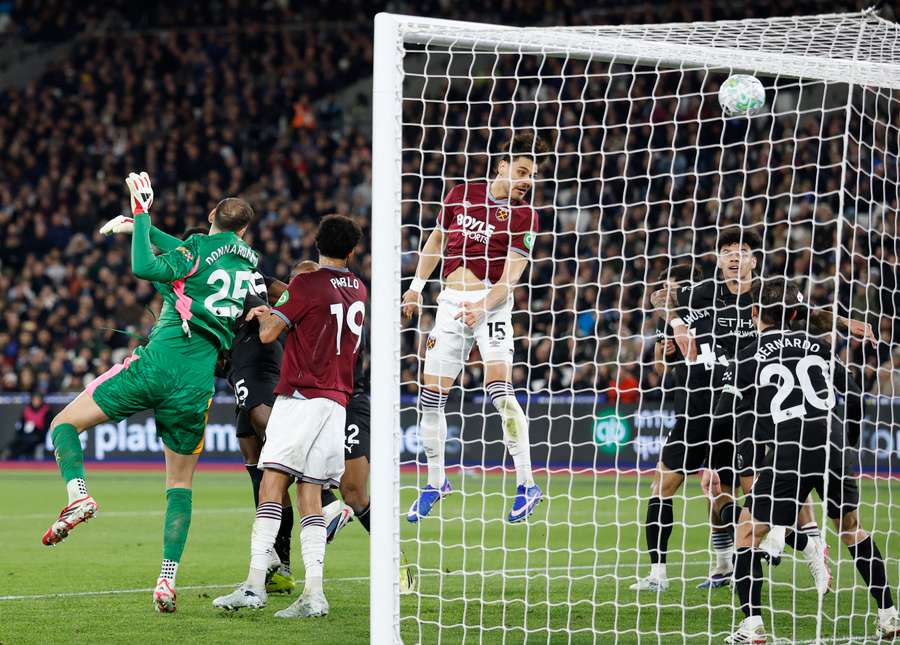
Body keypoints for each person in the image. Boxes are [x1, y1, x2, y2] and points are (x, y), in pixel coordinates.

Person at [43, 173, 258, 616]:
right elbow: (188, 258)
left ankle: (78, 494)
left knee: (63, 424)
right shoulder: (250, 264)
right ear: (245, 231)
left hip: (157, 365)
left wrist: (142, 215)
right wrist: (135, 225)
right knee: (179, 484)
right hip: (197, 384)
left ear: (212, 216)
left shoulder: (196, 247)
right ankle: (165, 580)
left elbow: (147, 266)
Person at [648, 228, 874, 589]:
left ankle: (811, 545)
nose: (734, 257)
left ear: (754, 260)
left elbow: (809, 315)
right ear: (719, 259)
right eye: (727, 251)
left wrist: (846, 323)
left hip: (758, 408)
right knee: (717, 493)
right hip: (706, 407)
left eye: (742, 251)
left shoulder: (767, 296)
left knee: (773, 483)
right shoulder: (702, 294)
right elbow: (661, 298)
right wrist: (671, 328)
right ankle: (720, 566)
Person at [702, 278, 900, 643]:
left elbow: (724, 414)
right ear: (795, 314)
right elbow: (855, 395)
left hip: (789, 449)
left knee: (748, 532)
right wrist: (848, 442)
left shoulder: (747, 354)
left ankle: (752, 626)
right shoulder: (819, 346)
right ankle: (888, 614)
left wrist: (720, 462)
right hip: (832, 444)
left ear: (755, 311)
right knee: (852, 529)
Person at [212, 215, 367, 619]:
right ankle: (314, 595)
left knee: (272, 485)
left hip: (300, 397)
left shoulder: (305, 284)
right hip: (337, 401)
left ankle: (253, 585)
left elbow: (268, 334)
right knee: (310, 494)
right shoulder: (359, 289)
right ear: (352, 251)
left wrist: (267, 312)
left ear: (317, 244)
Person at [401, 131, 549, 523]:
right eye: (521, 172)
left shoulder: (525, 216)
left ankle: (526, 484)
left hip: (492, 305)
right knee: (430, 396)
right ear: (501, 166)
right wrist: (415, 289)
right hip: (450, 302)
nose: (526, 182)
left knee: (499, 391)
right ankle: (436, 482)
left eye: (531, 177)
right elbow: (435, 242)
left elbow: (510, 279)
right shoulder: (459, 195)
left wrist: (482, 307)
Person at [4, 392, 52, 460]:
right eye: (35, 400)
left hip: (39, 435)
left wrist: (35, 428)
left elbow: (46, 427)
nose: (36, 402)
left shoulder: (46, 410)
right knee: (16, 443)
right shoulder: (27, 409)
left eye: (38, 400)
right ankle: (9, 458)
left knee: (29, 443)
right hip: (26, 434)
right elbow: (21, 423)